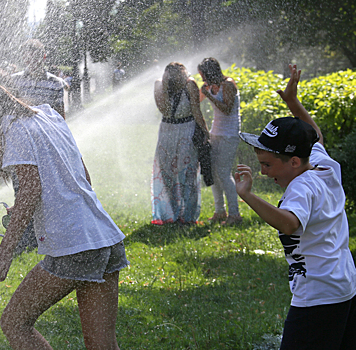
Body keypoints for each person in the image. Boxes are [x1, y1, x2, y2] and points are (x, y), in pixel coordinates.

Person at [0, 84, 127, 350]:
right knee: (102, 346)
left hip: (73, 246)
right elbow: (82, 177)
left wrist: (5, 251)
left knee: (14, 323)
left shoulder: (15, 129)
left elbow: (31, 188)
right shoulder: (47, 114)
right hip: (104, 237)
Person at [236, 64, 356, 349]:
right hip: (343, 284)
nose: (263, 172)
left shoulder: (302, 187)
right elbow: (314, 135)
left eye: (267, 164)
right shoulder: (323, 166)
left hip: (317, 295)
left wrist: (247, 195)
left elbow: (289, 223)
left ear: (292, 162)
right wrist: (293, 103)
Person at [9, 39, 68, 254]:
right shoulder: (14, 82)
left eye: (35, 55)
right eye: (27, 55)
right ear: (24, 58)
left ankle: (44, 232)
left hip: (46, 145)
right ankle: (25, 238)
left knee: (45, 187)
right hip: (22, 144)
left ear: (43, 57)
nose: (31, 59)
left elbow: (60, 117)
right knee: (21, 188)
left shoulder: (55, 83)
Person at [151, 62, 209, 225]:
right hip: (186, 130)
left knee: (167, 173)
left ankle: (169, 214)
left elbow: (163, 110)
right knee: (188, 172)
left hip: (166, 131)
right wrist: (205, 131)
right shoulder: (190, 84)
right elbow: (196, 112)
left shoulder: (158, 85)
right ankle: (188, 216)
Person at [198, 57, 242, 225]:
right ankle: (220, 211)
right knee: (214, 173)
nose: (202, 79)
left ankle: (235, 214)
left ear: (210, 72)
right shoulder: (209, 86)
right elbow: (197, 99)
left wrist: (209, 95)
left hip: (229, 134)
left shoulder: (228, 85)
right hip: (215, 133)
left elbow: (227, 109)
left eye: (203, 75)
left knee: (223, 173)